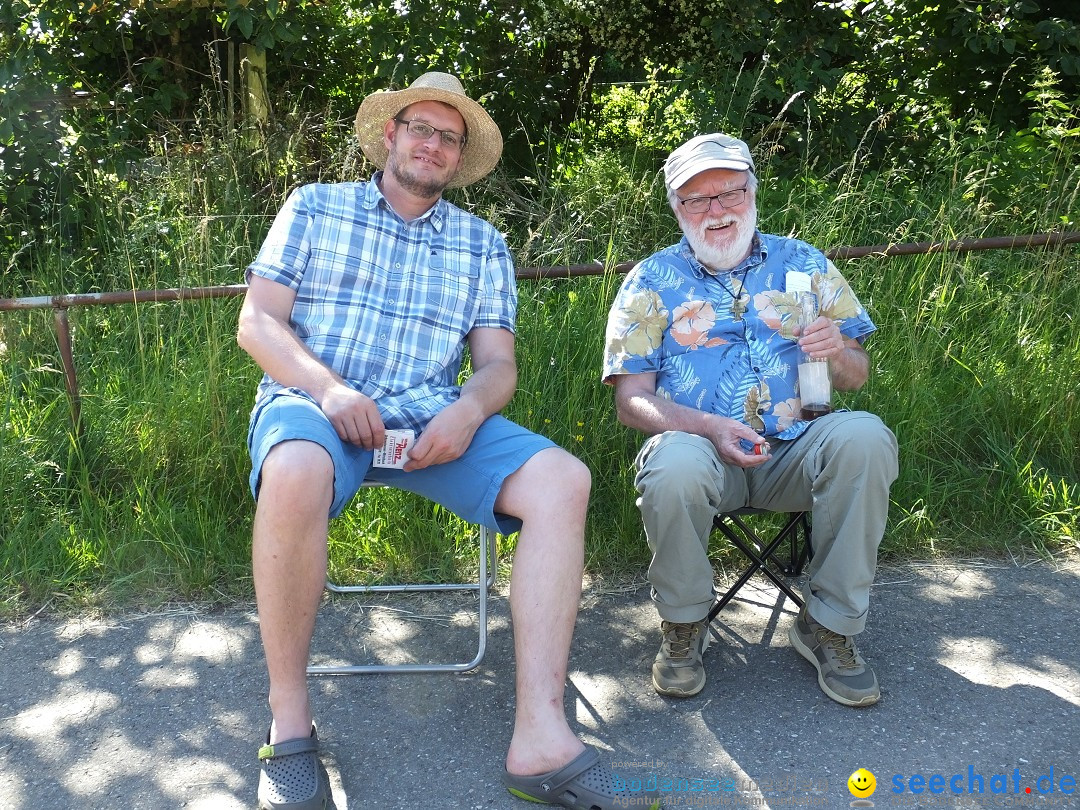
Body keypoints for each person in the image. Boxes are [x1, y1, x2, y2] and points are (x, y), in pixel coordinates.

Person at [237, 72, 659, 810]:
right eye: (421, 128)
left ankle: (541, 739)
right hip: (316, 404)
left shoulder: (483, 243)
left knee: (564, 480)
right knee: (297, 468)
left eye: (449, 137)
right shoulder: (313, 206)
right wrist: (330, 390)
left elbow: (498, 366)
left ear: (459, 159)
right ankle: (290, 727)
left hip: (434, 421)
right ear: (390, 136)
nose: (433, 144)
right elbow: (258, 322)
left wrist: (467, 410)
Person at [602, 133, 899, 708]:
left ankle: (828, 624)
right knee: (673, 463)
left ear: (752, 193)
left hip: (798, 448)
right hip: (704, 454)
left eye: (728, 193)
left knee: (865, 435)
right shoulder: (649, 281)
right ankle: (686, 626)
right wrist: (708, 427)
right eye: (696, 200)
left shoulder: (806, 262)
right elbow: (630, 400)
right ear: (677, 210)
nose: (716, 211)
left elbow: (857, 376)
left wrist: (837, 348)